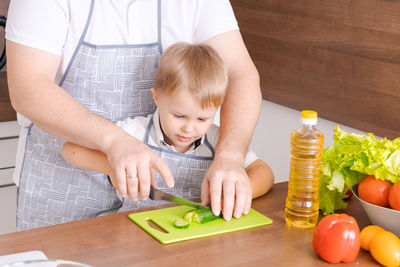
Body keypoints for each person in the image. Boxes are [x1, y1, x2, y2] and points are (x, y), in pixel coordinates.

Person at [6, 0, 262, 231]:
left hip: (147, 220)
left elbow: (240, 73)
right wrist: (115, 141)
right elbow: (27, 87)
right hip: (59, 192)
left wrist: (230, 157)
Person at [62, 42, 274, 212]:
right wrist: (114, 167)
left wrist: (232, 194)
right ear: (157, 98)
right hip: (133, 236)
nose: (189, 129)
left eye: (202, 119)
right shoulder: (134, 134)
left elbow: (264, 173)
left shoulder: (218, 140)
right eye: (179, 115)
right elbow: (70, 150)